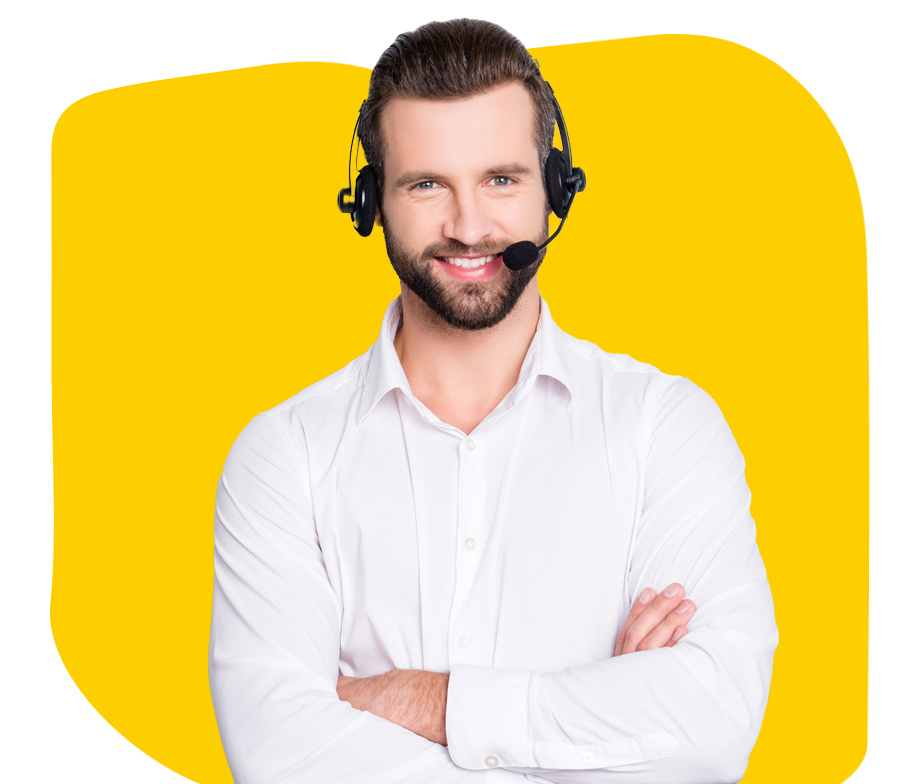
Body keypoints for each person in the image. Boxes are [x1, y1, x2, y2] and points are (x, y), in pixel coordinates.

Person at [208, 18, 777, 784]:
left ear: (557, 187)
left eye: (501, 179)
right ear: (371, 200)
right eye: (426, 184)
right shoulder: (285, 458)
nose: (469, 226)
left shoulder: (664, 429)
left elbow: (713, 725)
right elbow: (283, 758)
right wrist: (601, 720)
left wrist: (418, 700)